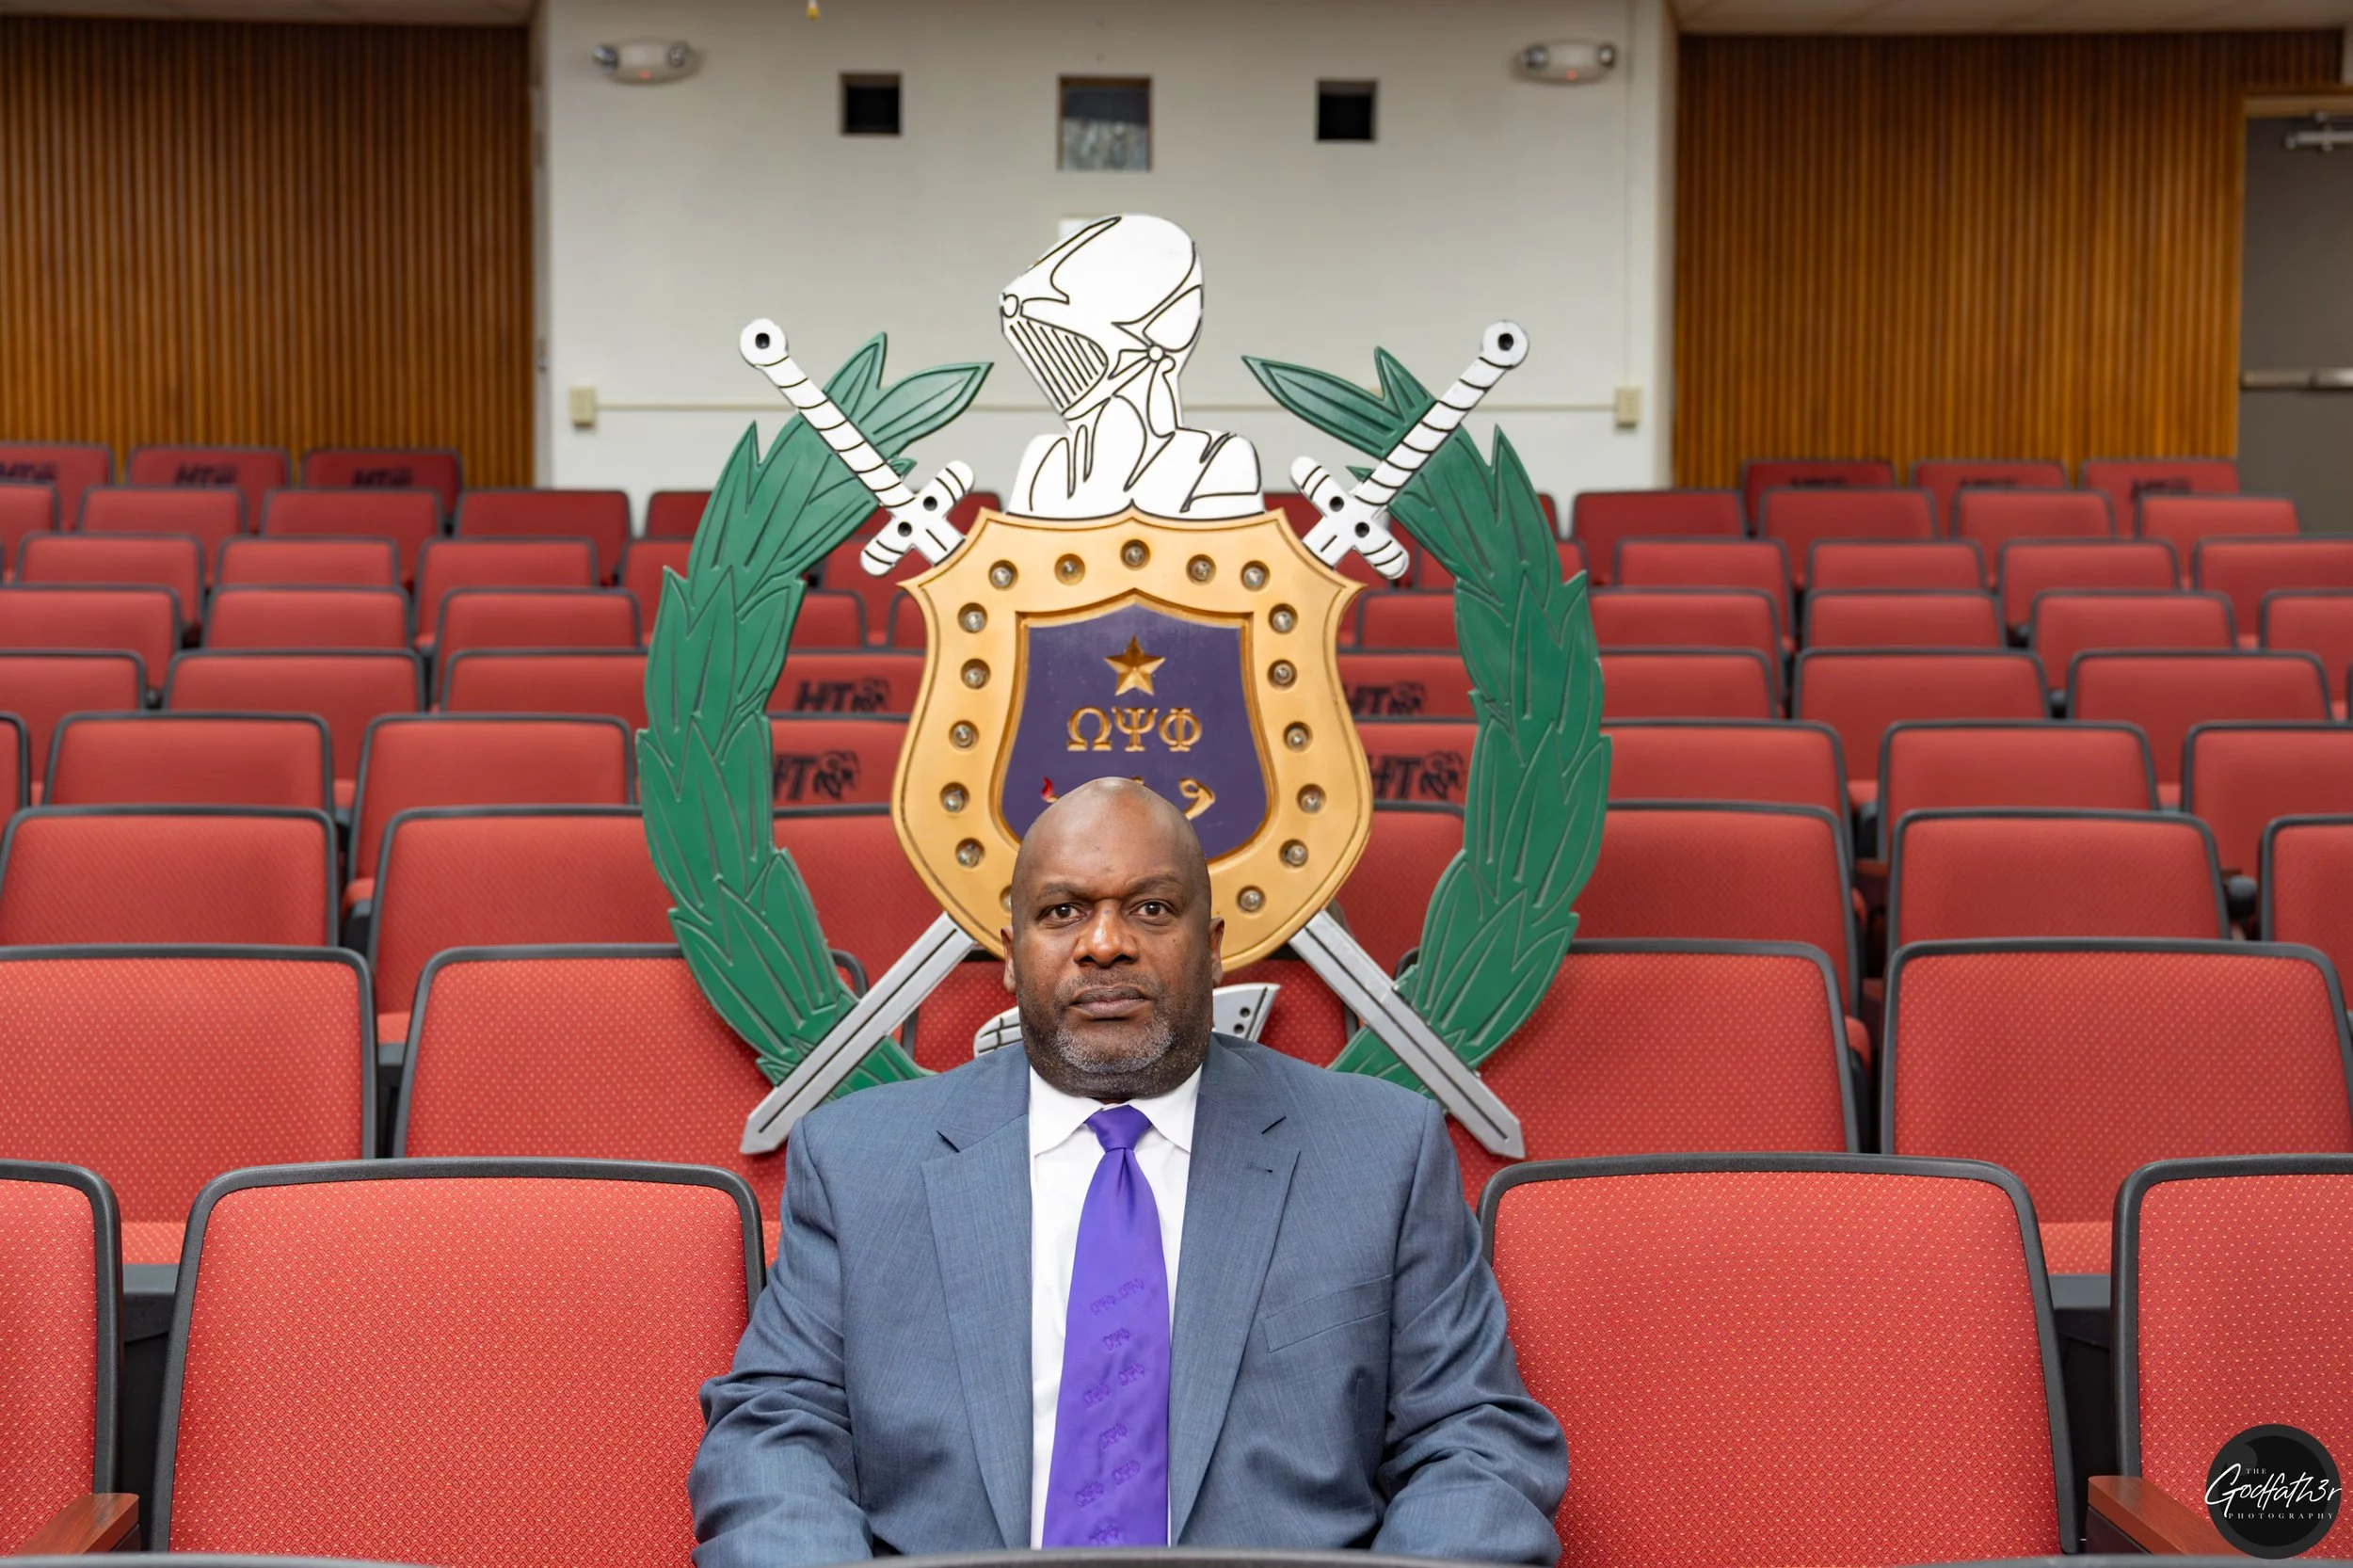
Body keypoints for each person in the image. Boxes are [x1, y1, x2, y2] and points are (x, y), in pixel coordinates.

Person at [690, 777, 1566, 1565]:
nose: (1104, 944)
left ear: (1215, 945)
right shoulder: (857, 1162)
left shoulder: (1381, 1153)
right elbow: (775, 1433)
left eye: (1151, 910)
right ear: (1008, 950)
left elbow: (1474, 1438)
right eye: (1063, 912)